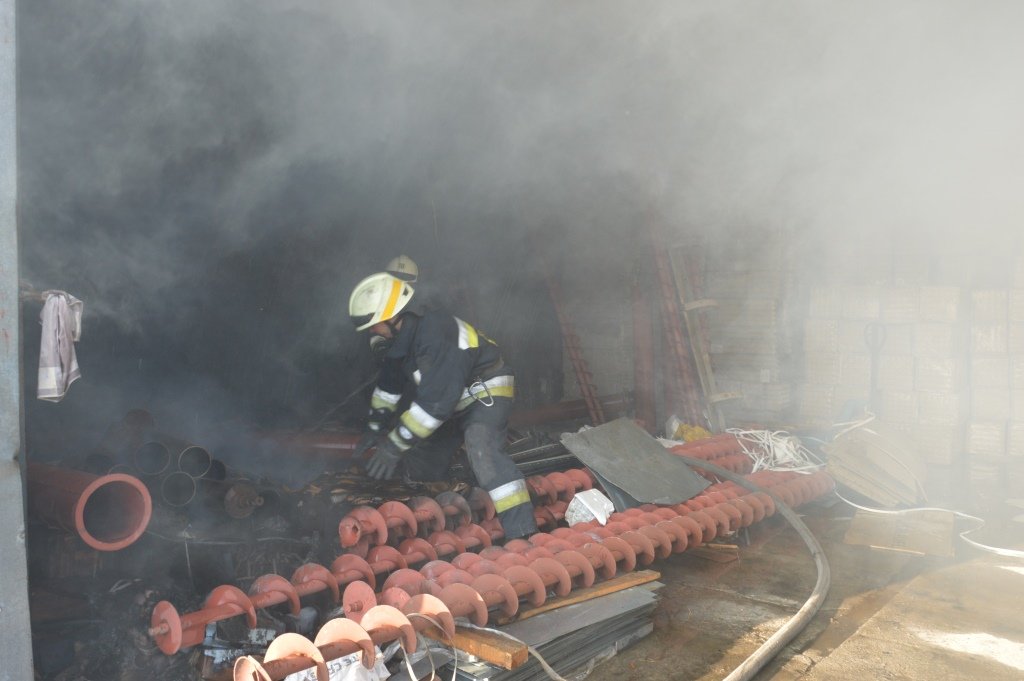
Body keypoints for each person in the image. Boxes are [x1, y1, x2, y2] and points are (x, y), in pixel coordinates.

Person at [348, 271, 537, 539]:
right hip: (452, 403)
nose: (371, 333)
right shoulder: (400, 344)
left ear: (392, 318)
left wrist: (393, 446)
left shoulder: (437, 333)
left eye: (373, 325)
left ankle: (523, 533)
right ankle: (443, 525)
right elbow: (388, 389)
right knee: (422, 459)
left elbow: (435, 405)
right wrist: (375, 428)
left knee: (482, 452)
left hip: (485, 392)